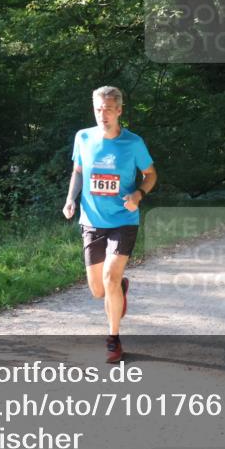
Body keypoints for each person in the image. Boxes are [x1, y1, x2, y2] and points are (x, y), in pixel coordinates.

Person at [63, 86, 157, 363]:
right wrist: (71, 199)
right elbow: (78, 171)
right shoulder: (83, 137)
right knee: (98, 290)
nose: (102, 115)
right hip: (92, 220)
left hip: (124, 220)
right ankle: (119, 289)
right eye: (98, 109)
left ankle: (113, 339)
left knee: (110, 277)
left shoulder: (133, 143)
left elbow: (150, 174)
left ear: (119, 110)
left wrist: (138, 194)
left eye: (108, 109)